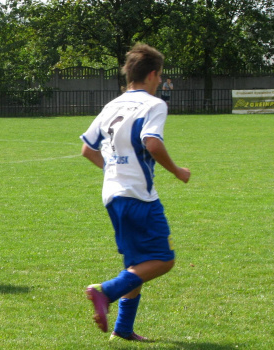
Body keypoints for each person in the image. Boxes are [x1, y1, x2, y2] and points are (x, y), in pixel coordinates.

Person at [80, 44, 191, 342]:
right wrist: (178, 171)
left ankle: (124, 328)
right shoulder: (153, 104)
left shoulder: (112, 105)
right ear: (153, 75)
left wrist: (112, 170)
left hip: (112, 194)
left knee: (137, 265)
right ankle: (106, 292)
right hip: (139, 196)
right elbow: (152, 142)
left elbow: (87, 149)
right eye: (160, 76)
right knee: (163, 259)